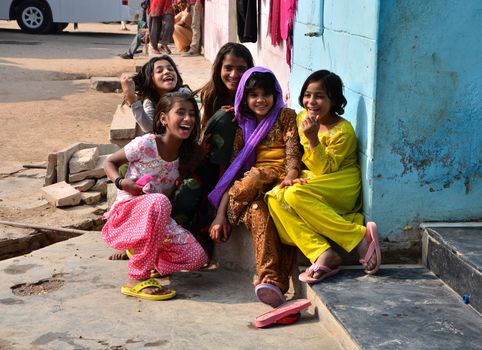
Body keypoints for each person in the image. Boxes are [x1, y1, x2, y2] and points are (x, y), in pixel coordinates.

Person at [265, 70, 382, 284]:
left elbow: (325, 169)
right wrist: (294, 176)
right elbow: (300, 158)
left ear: (334, 100)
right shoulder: (303, 118)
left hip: (341, 185)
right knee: (274, 197)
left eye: (319, 96)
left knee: (293, 196)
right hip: (315, 180)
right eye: (308, 95)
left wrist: (312, 138)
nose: (311, 101)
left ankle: (358, 237)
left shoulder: (342, 131)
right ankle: (321, 251)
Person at [208, 67, 302, 308]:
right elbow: (233, 171)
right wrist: (220, 215)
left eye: (266, 94)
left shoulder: (286, 116)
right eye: (253, 95)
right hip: (250, 190)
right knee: (257, 198)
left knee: (265, 209)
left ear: (275, 94)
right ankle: (272, 279)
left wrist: (291, 175)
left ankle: (272, 283)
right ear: (244, 98)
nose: (260, 100)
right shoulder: (242, 127)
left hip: (279, 180)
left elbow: (293, 149)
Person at [102, 91, 208, 301]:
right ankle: (136, 278)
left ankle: (146, 260)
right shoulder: (145, 144)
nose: (188, 118)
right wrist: (122, 183)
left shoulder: (186, 156)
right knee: (159, 201)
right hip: (127, 213)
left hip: (157, 219)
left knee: (198, 257)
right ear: (163, 119)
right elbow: (109, 162)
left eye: (192, 114)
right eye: (180, 113)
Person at [185, 42, 254, 259]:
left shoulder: (256, 97)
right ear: (219, 69)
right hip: (208, 163)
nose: (234, 74)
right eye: (228, 68)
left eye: (241, 69)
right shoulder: (206, 96)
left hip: (241, 166)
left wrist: (244, 113)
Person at [121, 55, 189, 133]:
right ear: (151, 81)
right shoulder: (150, 101)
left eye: (170, 69)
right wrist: (133, 100)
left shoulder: (183, 93)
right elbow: (149, 128)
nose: (167, 72)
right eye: (159, 71)